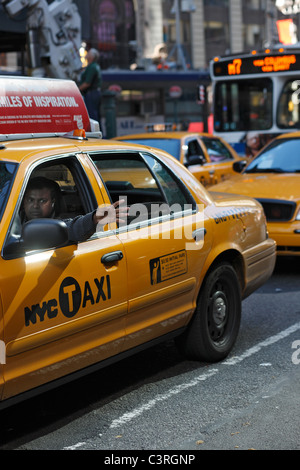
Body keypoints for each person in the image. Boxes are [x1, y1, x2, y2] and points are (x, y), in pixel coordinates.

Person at [22, 177, 128, 243]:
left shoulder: (59, 223)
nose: (35, 206)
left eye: (42, 201)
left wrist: (93, 219)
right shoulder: (10, 218)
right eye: (30, 200)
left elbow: (71, 228)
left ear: (53, 202)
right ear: (23, 200)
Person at [79, 48, 102, 126]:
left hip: (91, 94)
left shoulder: (92, 67)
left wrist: (77, 90)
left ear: (91, 57)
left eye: (88, 54)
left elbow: (87, 83)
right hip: (95, 93)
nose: (86, 55)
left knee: (92, 115)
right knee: (96, 115)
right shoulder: (95, 66)